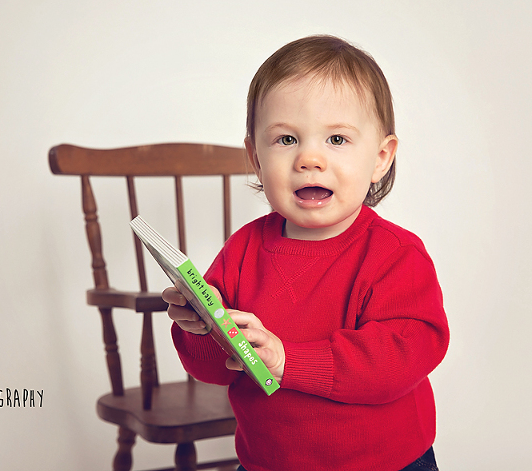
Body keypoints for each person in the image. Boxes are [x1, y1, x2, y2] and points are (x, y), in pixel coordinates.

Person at [162, 35, 449, 471]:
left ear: (380, 158)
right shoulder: (242, 250)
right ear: (256, 158)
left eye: (337, 138)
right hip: (267, 461)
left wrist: (287, 360)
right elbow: (215, 369)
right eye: (285, 139)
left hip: (384, 462)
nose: (309, 159)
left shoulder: (395, 255)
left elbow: (398, 359)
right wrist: (202, 328)